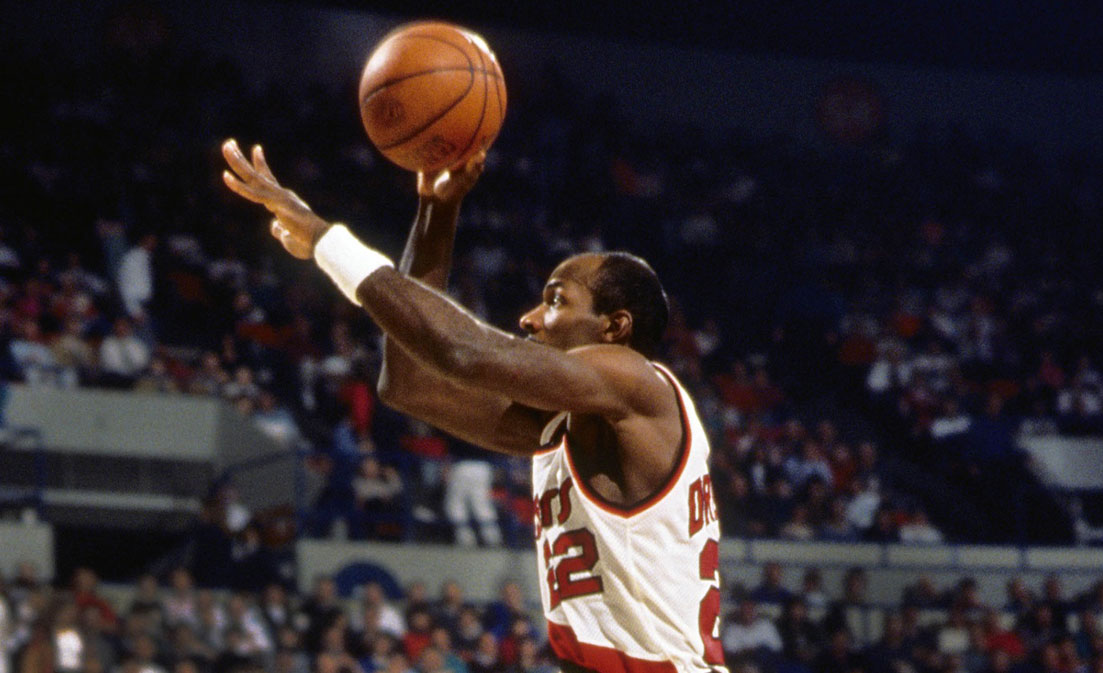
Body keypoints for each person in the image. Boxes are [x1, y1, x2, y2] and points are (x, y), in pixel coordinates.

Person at [221, 139, 725, 672]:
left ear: (614, 327)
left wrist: (327, 241)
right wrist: (437, 211)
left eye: (556, 300)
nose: (530, 318)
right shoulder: (560, 425)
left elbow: (462, 351)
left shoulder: (636, 383)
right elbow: (409, 381)